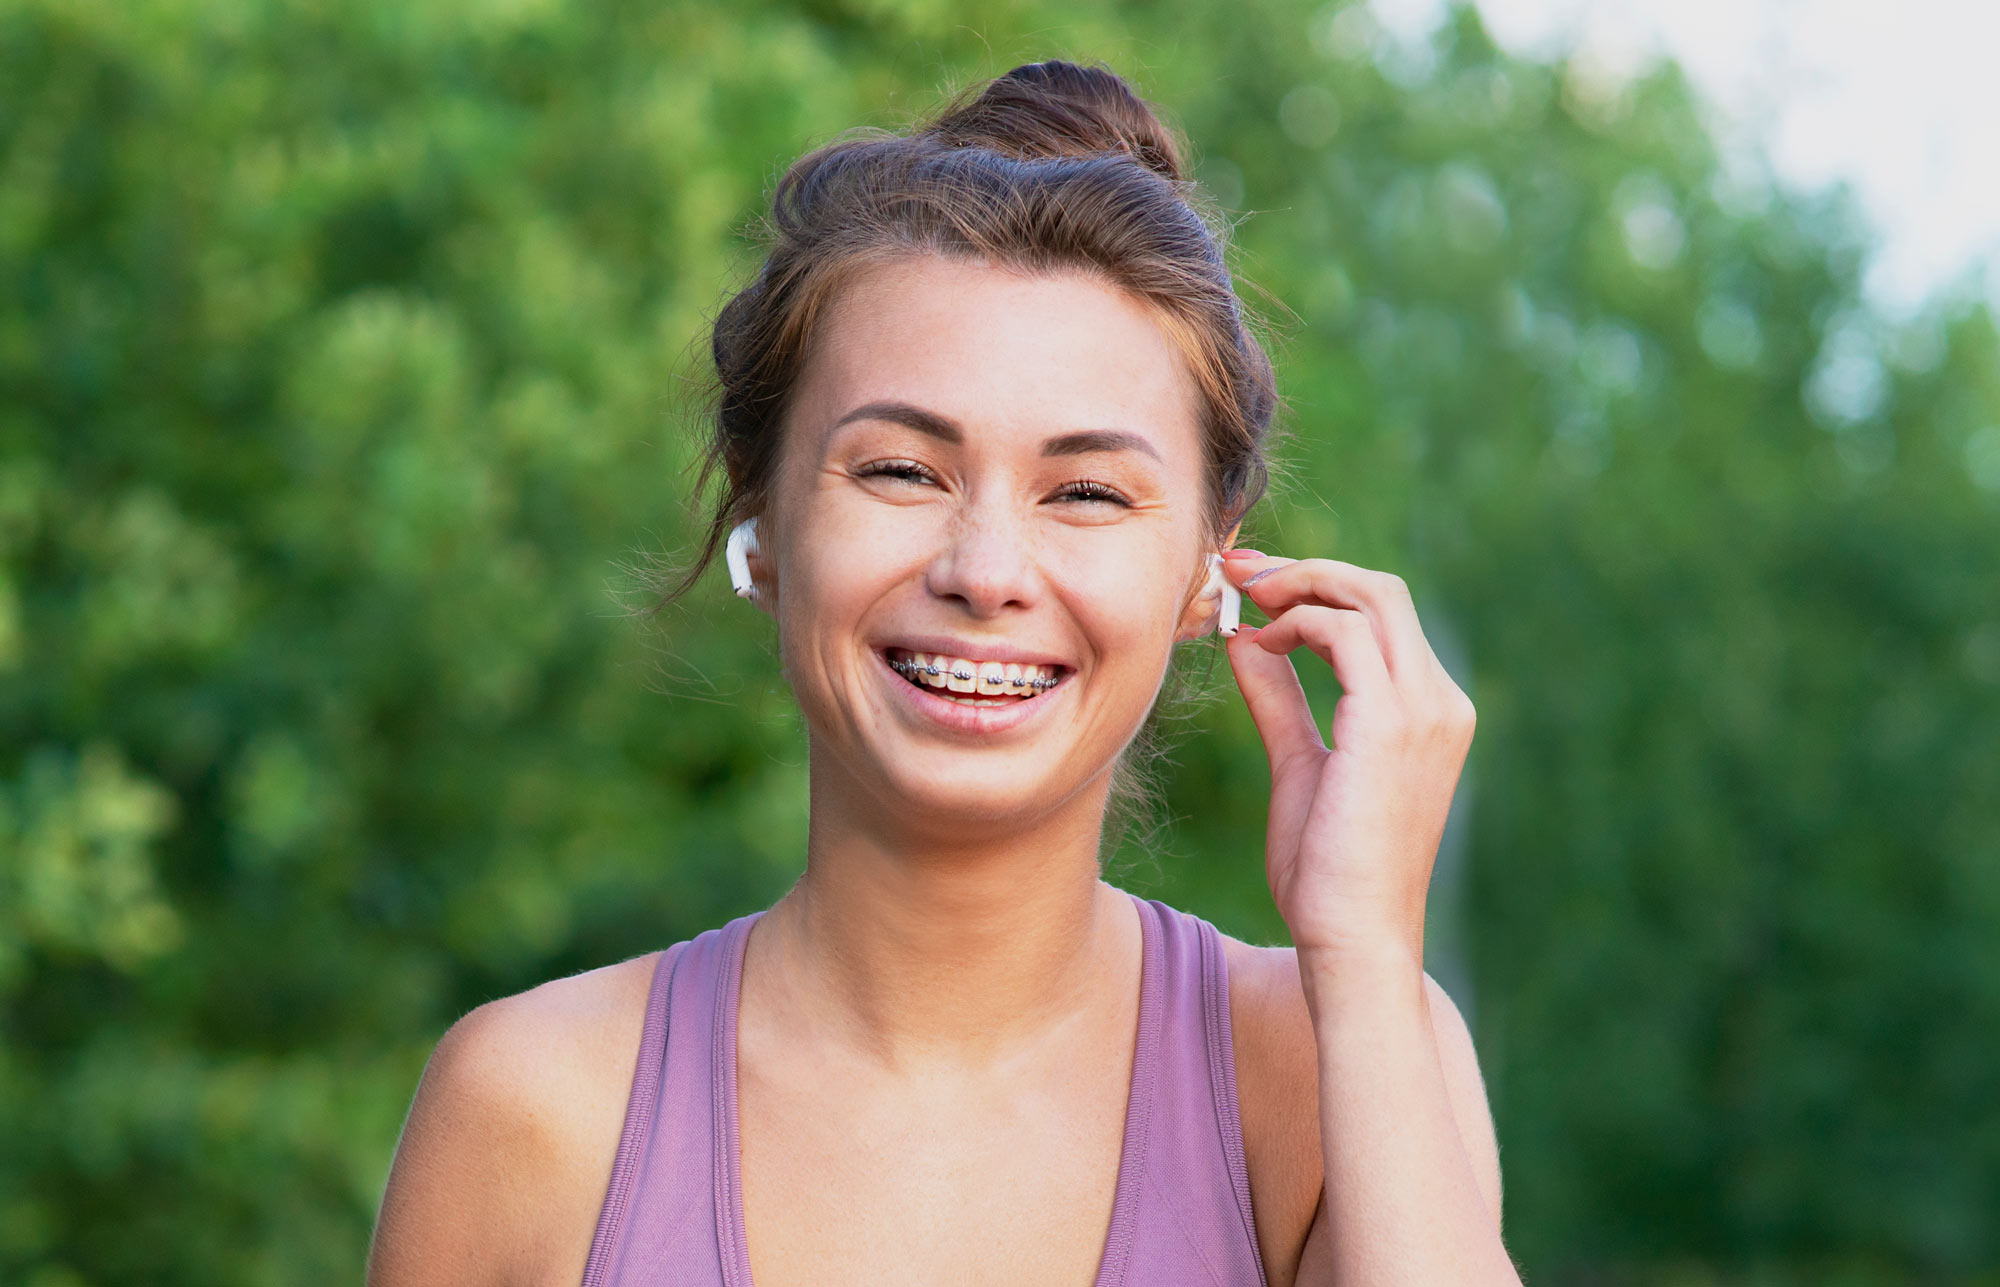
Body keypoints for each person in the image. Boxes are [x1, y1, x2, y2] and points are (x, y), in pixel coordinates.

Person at [366, 60, 1517, 1287]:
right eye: (901, 471)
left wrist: (1361, 951)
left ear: (1205, 564)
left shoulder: (1343, 1061)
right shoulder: (530, 1109)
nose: (985, 570)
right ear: (764, 518)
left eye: (1083, 492)